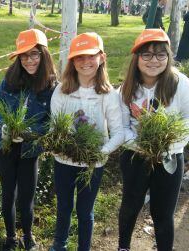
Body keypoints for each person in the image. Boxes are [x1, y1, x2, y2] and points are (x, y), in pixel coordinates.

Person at [118, 29, 189, 251]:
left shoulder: (180, 84)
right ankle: (123, 247)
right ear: (136, 58)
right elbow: (120, 126)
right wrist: (141, 143)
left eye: (160, 55)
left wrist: (169, 138)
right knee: (130, 206)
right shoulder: (125, 89)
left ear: (168, 57)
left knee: (163, 213)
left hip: (169, 157)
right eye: (146, 54)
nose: (153, 61)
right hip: (135, 155)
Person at [49, 32, 124, 251]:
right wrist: (61, 144)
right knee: (63, 206)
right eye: (79, 57)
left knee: (85, 211)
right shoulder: (62, 91)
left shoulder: (109, 94)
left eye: (91, 56)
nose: (86, 62)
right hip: (64, 160)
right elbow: (56, 128)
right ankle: (59, 244)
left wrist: (103, 151)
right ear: (72, 61)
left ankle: (84, 247)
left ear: (102, 57)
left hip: (93, 163)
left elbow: (118, 132)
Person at [0, 29, 57, 251]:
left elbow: (50, 122)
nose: (29, 60)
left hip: (30, 148)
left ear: (44, 55)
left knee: (27, 195)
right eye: (24, 56)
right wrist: (4, 127)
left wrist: (29, 131)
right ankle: (10, 237)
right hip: (5, 146)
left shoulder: (50, 87)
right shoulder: (8, 81)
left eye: (34, 54)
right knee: (8, 192)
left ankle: (28, 237)